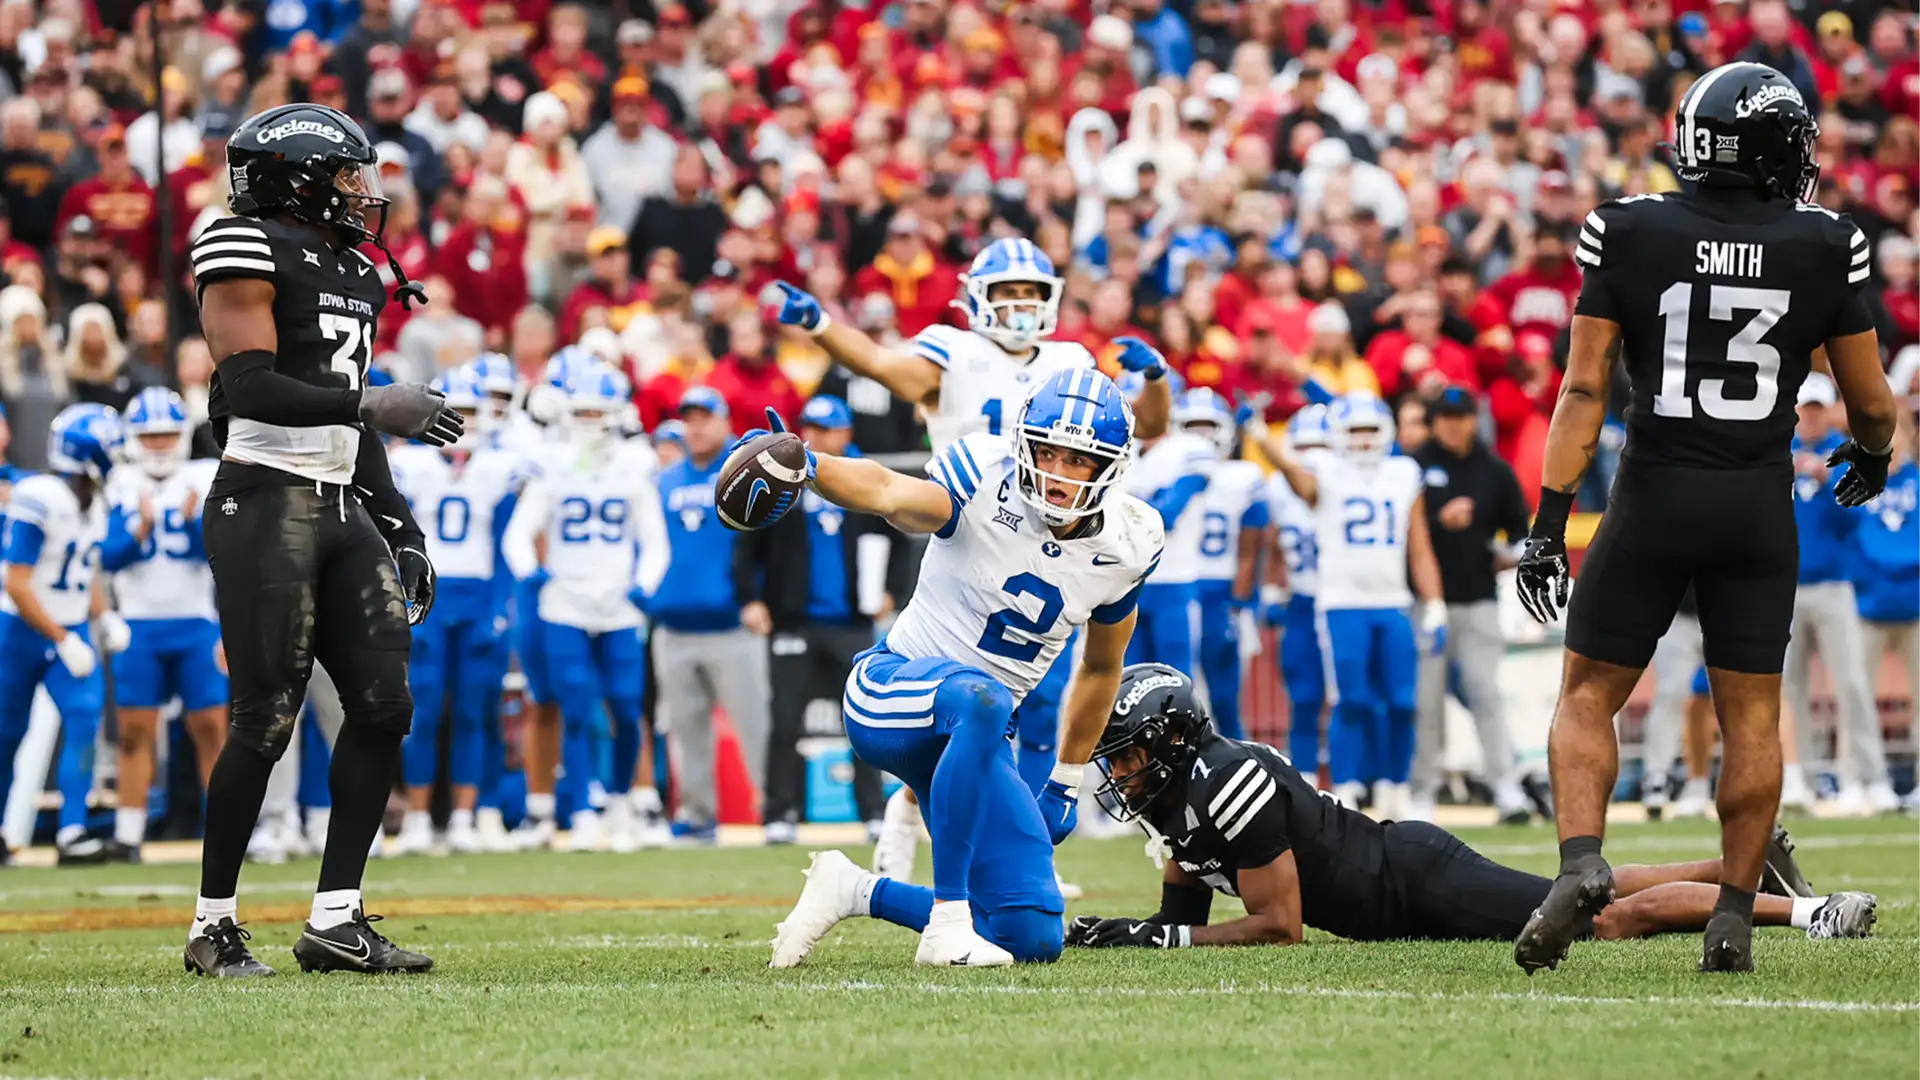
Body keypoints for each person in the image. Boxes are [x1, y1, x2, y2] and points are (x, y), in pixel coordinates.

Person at [1512, 63, 1900, 975]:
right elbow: (1871, 403)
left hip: (1653, 491)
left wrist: (1547, 522)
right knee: (1753, 716)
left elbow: (1581, 388)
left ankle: (1581, 862)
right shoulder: (1823, 242)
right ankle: (1731, 912)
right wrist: (1874, 457)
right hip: (1755, 503)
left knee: (1586, 694)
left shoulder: (1631, 228)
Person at [773, 236, 1172, 881]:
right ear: (975, 299)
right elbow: (886, 370)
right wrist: (822, 326)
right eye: (1007, 292)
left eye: (1031, 294)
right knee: (957, 684)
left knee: (1024, 698)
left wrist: (1155, 380)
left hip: (1058, 545)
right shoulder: (954, 350)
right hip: (964, 514)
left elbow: (1140, 428)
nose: (1019, 305)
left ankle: (1010, 841)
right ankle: (916, 826)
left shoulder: (1071, 362)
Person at [183, 103, 465, 978]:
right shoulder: (238, 243)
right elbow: (251, 385)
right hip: (263, 494)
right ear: (295, 174)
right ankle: (211, 925)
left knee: (384, 705)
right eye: (346, 174)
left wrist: (403, 525)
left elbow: (354, 419)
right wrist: (372, 401)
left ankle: (336, 918)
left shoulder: (357, 269)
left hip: (341, 501)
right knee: (266, 716)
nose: (362, 193)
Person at [765, 366, 1162, 968]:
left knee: (1030, 934)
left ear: (1111, 467)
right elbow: (887, 492)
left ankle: (853, 889)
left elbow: (1103, 667)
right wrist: (810, 465)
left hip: (974, 736)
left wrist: (1067, 778)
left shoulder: (1130, 540)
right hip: (892, 692)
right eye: (1046, 450)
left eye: (1079, 460)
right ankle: (947, 921)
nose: (1056, 473)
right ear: (1023, 442)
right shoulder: (985, 471)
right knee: (984, 699)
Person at [1066, 664, 1877, 949]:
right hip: (1399, 883)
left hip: (1411, 880)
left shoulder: (1223, 778)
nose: (1123, 770)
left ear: (1174, 741)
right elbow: (1181, 905)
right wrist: (1143, 932)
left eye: (1131, 751)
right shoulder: (1174, 798)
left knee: (1598, 920)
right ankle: (1745, 862)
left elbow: (1279, 926)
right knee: (1589, 890)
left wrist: (1163, 938)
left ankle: (1809, 915)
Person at [1254, 391, 1446, 817]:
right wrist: (1263, 439)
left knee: (1402, 702)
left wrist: (1435, 604)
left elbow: (1419, 547)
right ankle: (1346, 791)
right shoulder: (1326, 471)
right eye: (1354, 432)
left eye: (1369, 432)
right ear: (1338, 436)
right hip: (1341, 603)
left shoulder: (1402, 472)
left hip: (1392, 601)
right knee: (1351, 701)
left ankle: (1397, 791)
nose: (1362, 442)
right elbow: (1295, 477)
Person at [504, 360, 668, 853]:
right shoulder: (551, 461)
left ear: (617, 413)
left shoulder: (635, 464)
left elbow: (655, 541)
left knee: (623, 705)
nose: (591, 420)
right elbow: (519, 532)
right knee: (575, 708)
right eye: (583, 410)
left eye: (599, 411)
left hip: (619, 604)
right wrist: (529, 573)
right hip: (565, 603)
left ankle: (621, 802)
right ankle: (579, 811)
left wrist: (644, 584)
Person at [735, 394, 909, 844]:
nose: (818, 435)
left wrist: (891, 587)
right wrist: (751, 598)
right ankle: (779, 812)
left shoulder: (864, 477)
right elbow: (747, 538)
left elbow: (899, 530)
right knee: (785, 721)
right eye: (811, 426)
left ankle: (874, 811)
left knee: (865, 721)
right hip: (794, 620)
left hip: (851, 619)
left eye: (828, 428)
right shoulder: (783, 475)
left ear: (846, 432)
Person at [388, 367, 524, 855]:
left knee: (473, 711)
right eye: (454, 411)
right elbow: (395, 539)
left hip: (479, 595)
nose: (462, 420)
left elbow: (509, 544)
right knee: (421, 713)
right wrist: (405, 598)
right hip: (427, 593)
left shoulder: (500, 465)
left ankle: (465, 818)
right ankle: (420, 820)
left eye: (469, 411)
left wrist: (499, 608)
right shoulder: (411, 464)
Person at [98, 388, 224, 862]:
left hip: (195, 620)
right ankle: (129, 835)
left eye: (167, 434)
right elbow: (107, 558)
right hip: (139, 623)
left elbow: (217, 555)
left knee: (211, 727)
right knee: (134, 731)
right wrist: (140, 531)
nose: (158, 444)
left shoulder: (203, 475)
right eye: (149, 436)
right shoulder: (120, 482)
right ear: (133, 439)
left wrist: (196, 524)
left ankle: (225, 832)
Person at [0, 405, 123, 867]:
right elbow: (15, 581)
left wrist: (103, 616)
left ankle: (72, 831)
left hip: (68, 628)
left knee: (84, 722)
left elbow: (86, 567)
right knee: (6, 733)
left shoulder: (95, 502)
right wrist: (61, 637)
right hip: (20, 630)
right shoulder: (40, 496)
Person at [649, 385, 770, 842]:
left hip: (732, 624)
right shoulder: (662, 480)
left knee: (756, 725)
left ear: (725, 422)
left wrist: (759, 598)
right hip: (674, 625)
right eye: (690, 419)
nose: (697, 427)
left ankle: (772, 808)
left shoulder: (743, 476)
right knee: (686, 731)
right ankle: (698, 814)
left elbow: (768, 547)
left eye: (706, 417)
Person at [1408, 387, 1534, 824]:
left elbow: (1519, 532)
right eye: (1444, 416)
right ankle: (1422, 789)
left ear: (1471, 419)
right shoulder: (1415, 467)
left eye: (1459, 416)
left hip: (1478, 596)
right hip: (1425, 601)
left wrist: (1506, 554)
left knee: (1485, 692)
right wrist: (1439, 521)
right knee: (1425, 700)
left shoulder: (1494, 470)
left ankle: (1506, 786)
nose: (1452, 424)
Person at [1782, 374, 1891, 815]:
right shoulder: (1777, 452)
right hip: (1786, 586)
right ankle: (1799, 778)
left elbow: (1855, 523)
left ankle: (1868, 778)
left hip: (1833, 584)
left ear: (1828, 411)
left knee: (1852, 685)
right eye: (1803, 409)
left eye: (1815, 408)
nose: (1809, 417)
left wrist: (1827, 485)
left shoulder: (1844, 455)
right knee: (1788, 690)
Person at [1171, 388, 1268, 739]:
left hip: (1220, 590)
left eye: (1208, 425)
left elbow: (1250, 548)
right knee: (1172, 690)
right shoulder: (1164, 469)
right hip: (1176, 586)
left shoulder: (1242, 476)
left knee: (1225, 695)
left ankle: (1234, 765)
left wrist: (1242, 604)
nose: (1201, 435)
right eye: (1192, 426)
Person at [1268, 405, 1330, 782]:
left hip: (1342, 601)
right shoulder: (1278, 488)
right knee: (1304, 698)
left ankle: (1359, 783)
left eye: (1321, 444)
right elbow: (1272, 542)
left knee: (1352, 701)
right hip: (1303, 600)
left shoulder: (1352, 480)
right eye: (1305, 446)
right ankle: (1305, 780)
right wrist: (1273, 588)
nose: (1314, 456)